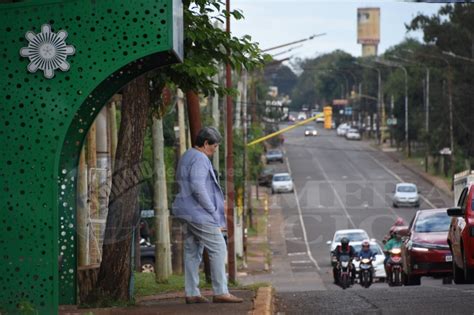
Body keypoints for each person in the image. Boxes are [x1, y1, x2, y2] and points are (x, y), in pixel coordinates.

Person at [172, 127, 243, 304]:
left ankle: (192, 292)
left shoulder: (187, 155)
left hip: (185, 210)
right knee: (218, 248)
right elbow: (198, 187)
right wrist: (212, 209)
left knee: (192, 251)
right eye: (215, 146)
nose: (215, 149)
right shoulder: (200, 158)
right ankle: (220, 291)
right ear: (205, 143)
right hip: (198, 213)